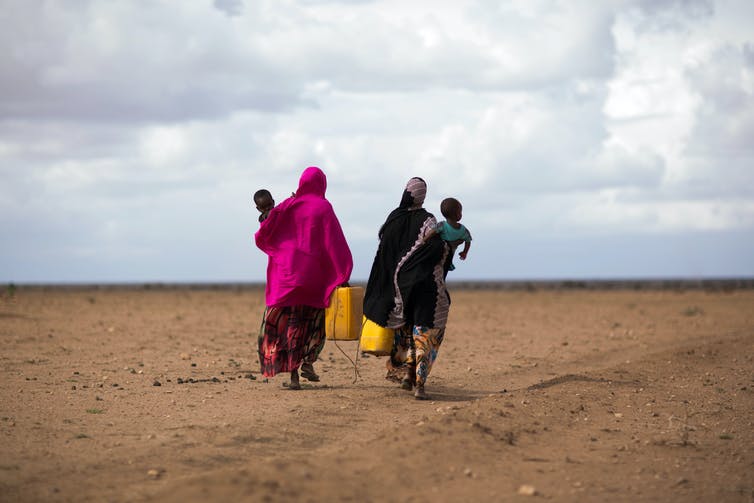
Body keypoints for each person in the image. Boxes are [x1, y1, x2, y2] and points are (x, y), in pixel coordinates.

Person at [254, 167, 353, 390]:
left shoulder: (289, 205)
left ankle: (294, 376)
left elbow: (267, 227)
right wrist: (342, 273)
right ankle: (307, 360)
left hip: (286, 278)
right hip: (313, 280)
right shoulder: (323, 207)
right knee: (312, 324)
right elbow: (334, 243)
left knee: (289, 325)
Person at [363, 177, 450, 400]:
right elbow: (438, 250)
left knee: (405, 330)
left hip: (398, 289)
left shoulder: (392, 219)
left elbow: (383, 252)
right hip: (425, 287)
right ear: (423, 196)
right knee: (423, 333)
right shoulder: (429, 221)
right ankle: (418, 383)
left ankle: (405, 374)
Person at [424, 197, 472, 274]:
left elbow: (432, 232)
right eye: (460, 212)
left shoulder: (442, 225)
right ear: (457, 215)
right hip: (447, 257)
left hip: (438, 255)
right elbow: (468, 241)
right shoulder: (463, 230)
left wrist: (424, 240)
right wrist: (465, 252)